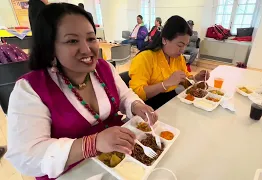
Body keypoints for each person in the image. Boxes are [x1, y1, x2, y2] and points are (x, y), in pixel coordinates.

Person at [5, 3, 157, 180]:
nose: (87, 49)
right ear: (50, 47)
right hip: (73, 173)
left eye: (91, 39)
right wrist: (93, 143)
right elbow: (26, 157)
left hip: (120, 162)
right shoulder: (29, 89)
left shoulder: (104, 68)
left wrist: (136, 105)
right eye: (72, 41)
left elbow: (124, 96)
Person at [129, 15, 209, 110]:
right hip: (148, 107)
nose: (183, 50)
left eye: (185, 45)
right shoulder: (145, 58)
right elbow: (137, 93)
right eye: (180, 45)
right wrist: (165, 84)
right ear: (164, 40)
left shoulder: (178, 58)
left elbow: (185, 80)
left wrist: (196, 78)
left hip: (171, 101)